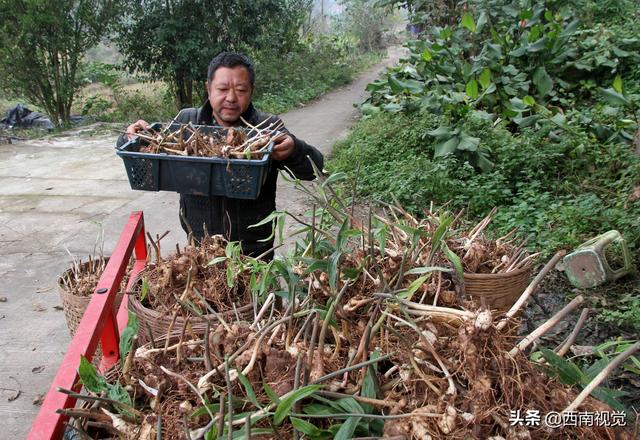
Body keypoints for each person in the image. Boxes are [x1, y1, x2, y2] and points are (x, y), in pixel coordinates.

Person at [117, 52, 324, 259]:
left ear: (251, 91)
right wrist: (133, 138)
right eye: (223, 89)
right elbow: (144, 160)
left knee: (257, 291)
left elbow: (315, 170)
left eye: (241, 90)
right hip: (201, 246)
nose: (231, 98)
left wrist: (294, 149)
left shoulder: (267, 128)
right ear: (209, 89)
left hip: (255, 251)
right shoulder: (186, 122)